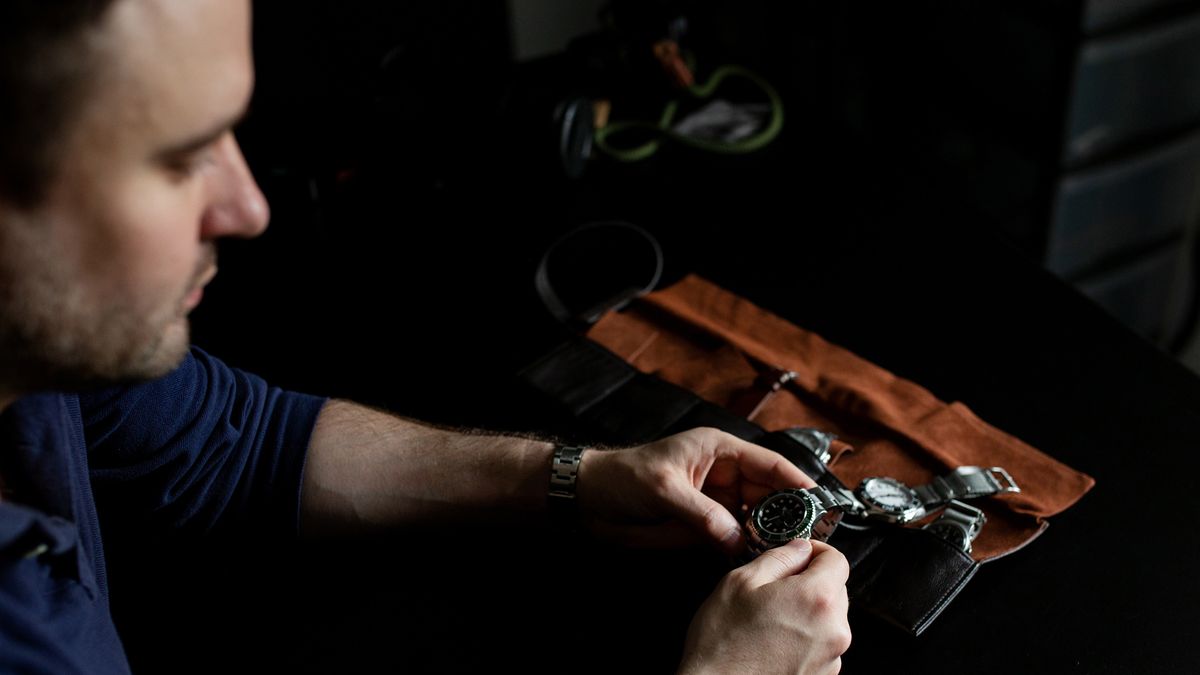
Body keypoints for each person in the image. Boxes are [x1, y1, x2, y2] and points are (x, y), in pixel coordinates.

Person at [0, 1, 852, 673]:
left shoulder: (37, 360)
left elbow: (233, 445)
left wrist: (580, 478)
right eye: (178, 158)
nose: (249, 207)